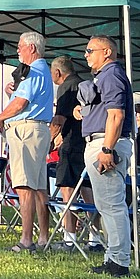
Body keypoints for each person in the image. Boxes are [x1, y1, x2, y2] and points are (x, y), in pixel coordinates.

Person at [77, 35, 135, 277]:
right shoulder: (105, 76)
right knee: (106, 204)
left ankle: (119, 262)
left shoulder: (111, 74)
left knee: (111, 205)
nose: (86, 55)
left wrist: (107, 149)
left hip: (106, 143)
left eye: (90, 50)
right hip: (100, 141)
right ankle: (113, 258)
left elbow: (116, 115)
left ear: (107, 52)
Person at [0, 31, 53, 253]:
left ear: (32, 48)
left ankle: (26, 240)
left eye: (20, 46)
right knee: (38, 187)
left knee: (24, 185)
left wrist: (0, 117)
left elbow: (20, 103)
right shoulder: (42, 71)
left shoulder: (33, 71)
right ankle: (43, 237)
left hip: (25, 130)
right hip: (37, 129)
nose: (17, 50)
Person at [48, 56, 93, 253]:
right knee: (88, 190)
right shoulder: (85, 83)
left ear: (58, 72)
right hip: (86, 143)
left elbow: (59, 118)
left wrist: (48, 141)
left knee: (68, 190)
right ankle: (95, 237)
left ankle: (69, 237)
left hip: (71, 143)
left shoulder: (66, 87)